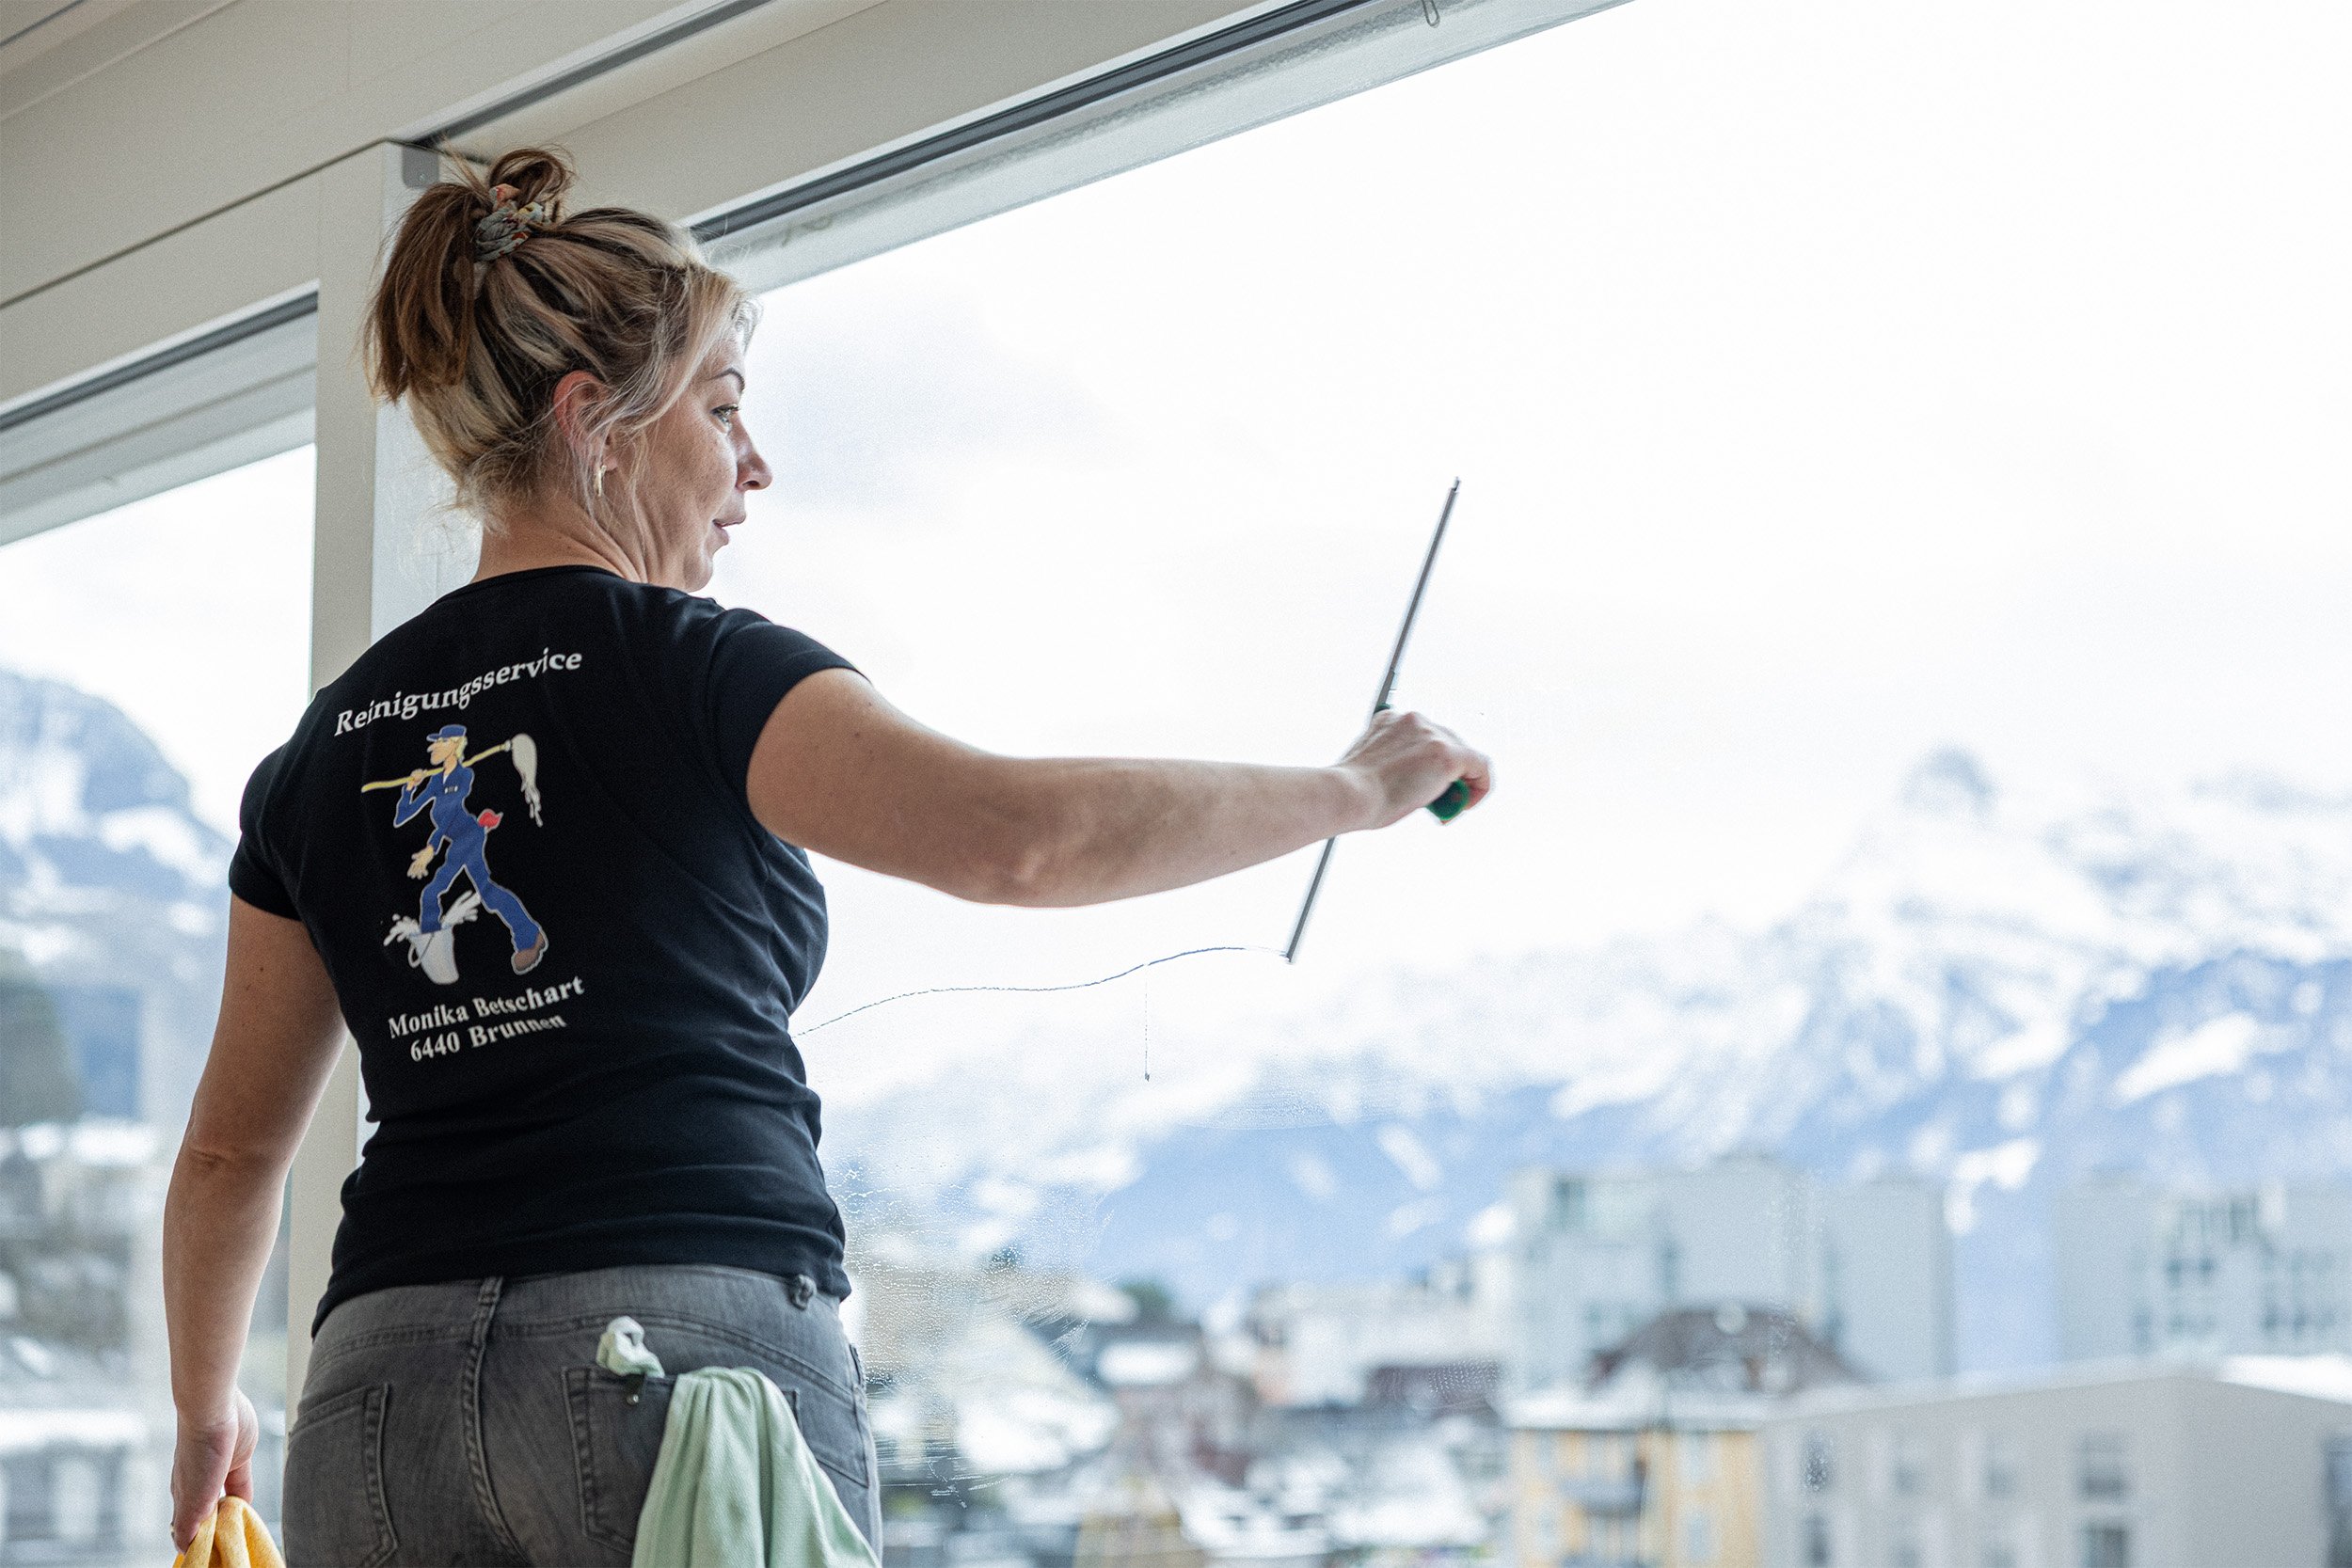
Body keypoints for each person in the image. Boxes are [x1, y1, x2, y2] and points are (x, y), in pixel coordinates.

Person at [160, 146, 1492, 1564]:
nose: (755, 466)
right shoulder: (686, 667)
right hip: (675, 1366)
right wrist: (1350, 787)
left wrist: (204, 1411)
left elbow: (237, 1148)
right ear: (594, 420)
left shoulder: (325, 744)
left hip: (381, 1390)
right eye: (723, 410)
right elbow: (1019, 841)